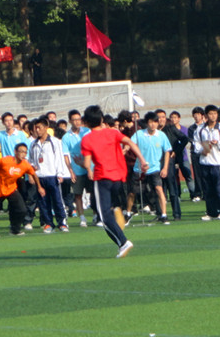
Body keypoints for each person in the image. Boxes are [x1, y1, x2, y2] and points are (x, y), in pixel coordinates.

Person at [81, 105, 148, 258]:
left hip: (102, 177)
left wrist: (81, 163)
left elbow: (86, 163)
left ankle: (123, 242)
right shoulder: (112, 132)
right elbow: (130, 143)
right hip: (118, 177)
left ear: (86, 122)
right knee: (108, 207)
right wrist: (142, 160)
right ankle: (116, 209)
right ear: (101, 119)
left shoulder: (87, 139)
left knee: (103, 216)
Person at [0, 143, 44, 236]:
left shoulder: (25, 164)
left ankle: (15, 229)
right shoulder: (5, 161)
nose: (23, 154)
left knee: (22, 209)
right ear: (15, 152)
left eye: (25, 152)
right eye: (21, 151)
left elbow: (34, 174)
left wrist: (39, 187)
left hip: (11, 189)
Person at [28, 118, 70, 233]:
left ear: (46, 128)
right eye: (36, 128)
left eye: (39, 127)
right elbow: (31, 161)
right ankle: (48, 223)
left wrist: (60, 173)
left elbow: (59, 158)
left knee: (57, 200)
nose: (37, 130)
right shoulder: (33, 144)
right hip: (40, 176)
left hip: (52, 175)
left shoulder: (54, 142)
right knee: (43, 201)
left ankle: (62, 223)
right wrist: (32, 173)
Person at [130, 112, 172, 224]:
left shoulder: (161, 135)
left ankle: (164, 215)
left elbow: (167, 151)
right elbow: (130, 143)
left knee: (159, 189)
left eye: (155, 122)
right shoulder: (139, 134)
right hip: (139, 169)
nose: (153, 124)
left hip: (155, 168)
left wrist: (165, 168)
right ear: (146, 123)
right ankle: (128, 213)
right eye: (150, 122)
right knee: (133, 192)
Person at [194, 105, 220, 221]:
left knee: (219, 188)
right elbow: (196, 143)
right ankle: (211, 212)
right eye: (211, 114)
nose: (213, 116)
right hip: (205, 162)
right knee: (208, 189)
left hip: (218, 163)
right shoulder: (201, 129)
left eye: (215, 114)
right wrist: (202, 150)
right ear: (206, 115)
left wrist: (218, 143)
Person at [61, 110, 92, 228]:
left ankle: (96, 215)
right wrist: (71, 171)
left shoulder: (87, 131)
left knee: (93, 193)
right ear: (70, 121)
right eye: (74, 120)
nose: (77, 122)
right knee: (78, 194)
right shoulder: (66, 137)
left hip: (90, 168)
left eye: (78, 119)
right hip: (77, 170)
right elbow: (66, 155)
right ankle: (82, 217)